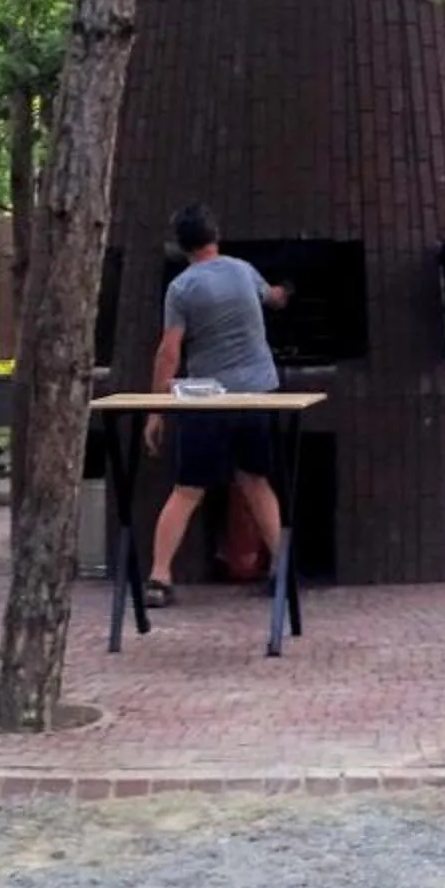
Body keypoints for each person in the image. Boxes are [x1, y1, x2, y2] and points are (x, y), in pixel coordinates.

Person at [143, 205, 289, 606]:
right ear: (216, 234)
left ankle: (159, 578)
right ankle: (282, 566)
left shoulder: (182, 289)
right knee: (256, 481)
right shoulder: (243, 270)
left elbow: (168, 353)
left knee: (188, 489)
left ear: (181, 245)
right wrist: (283, 293)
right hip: (258, 394)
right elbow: (271, 298)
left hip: (208, 400)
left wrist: (157, 411)